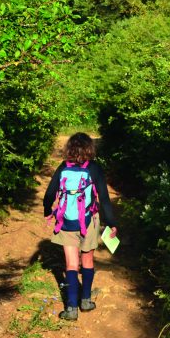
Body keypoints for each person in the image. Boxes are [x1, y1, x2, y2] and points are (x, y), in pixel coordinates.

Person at [43, 132, 118, 321]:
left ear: (69, 148)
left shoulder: (63, 168)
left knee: (70, 264)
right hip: (89, 221)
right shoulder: (94, 168)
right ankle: (85, 301)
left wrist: (47, 210)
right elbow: (105, 199)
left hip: (67, 222)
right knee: (87, 261)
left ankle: (70, 309)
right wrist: (111, 223)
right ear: (89, 149)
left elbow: (49, 194)